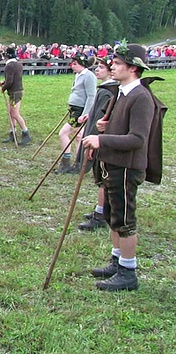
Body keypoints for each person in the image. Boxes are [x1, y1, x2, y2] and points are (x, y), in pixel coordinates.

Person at [81, 43, 154, 291]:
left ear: (133, 68)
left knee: (124, 220)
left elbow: (137, 139)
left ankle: (128, 272)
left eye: (118, 63)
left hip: (126, 168)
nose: (112, 66)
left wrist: (101, 139)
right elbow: (121, 129)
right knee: (113, 217)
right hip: (112, 164)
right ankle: (117, 260)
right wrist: (106, 127)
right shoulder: (121, 92)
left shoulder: (141, 97)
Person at [76, 57, 118, 231]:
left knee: (103, 179)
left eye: (101, 67)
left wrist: (94, 140)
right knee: (101, 179)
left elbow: (103, 120)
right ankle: (101, 210)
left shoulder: (110, 91)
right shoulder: (106, 89)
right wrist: (90, 114)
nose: (97, 70)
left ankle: (101, 214)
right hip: (98, 137)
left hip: (101, 140)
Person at [56, 53, 97, 174]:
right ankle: (80, 164)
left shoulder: (89, 76)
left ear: (82, 64)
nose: (72, 66)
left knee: (63, 133)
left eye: (75, 64)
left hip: (80, 111)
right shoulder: (78, 75)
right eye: (72, 63)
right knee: (79, 136)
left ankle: (66, 162)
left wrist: (85, 113)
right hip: (75, 109)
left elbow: (91, 96)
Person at [0, 46, 32, 145]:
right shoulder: (18, 64)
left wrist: (3, 87)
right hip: (17, 90)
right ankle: (12, 133)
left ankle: (25, 133)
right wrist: (4, 82)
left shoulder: (9, 66)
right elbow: (14, 78)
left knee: (15, 114)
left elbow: (10, 81)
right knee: (10, 113)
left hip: (14, 92)